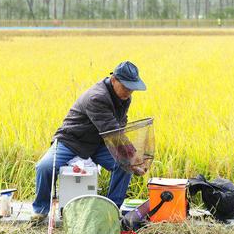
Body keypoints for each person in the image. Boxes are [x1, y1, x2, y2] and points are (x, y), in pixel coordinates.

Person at [31, 61, 147, 222]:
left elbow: (119, 125)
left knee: (124, 165)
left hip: (99, 143)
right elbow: (113, 131)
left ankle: (111, 209)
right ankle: (40, 209)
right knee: (44, 166)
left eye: (132, 88)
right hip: (72, 140)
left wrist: (130, 160)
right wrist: (133, 155)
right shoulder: (97, 97)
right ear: (114, 80)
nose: (129, 91)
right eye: (126, 87)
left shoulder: (124, 97)